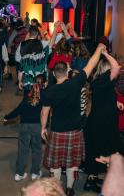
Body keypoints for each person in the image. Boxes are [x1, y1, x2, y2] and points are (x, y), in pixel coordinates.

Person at [40, 43, 106, 196]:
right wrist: (98, 50)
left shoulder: (49, 91)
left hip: (57, 131)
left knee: (55, 165)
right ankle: (70, 189)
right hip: (75, 131)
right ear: (68, 71)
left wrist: (43, 128)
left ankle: (57, 190)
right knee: (72, 163)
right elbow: (91, 65)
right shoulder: (76, 83)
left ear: (55, 74)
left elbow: (44, 112)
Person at [84, 52, 123, 192]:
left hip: (101, 123)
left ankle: (93, 178)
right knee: (100, 152)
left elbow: (105, 98)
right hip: (101, 125)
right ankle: (90, 181)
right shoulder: (103, 81)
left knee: (99, 151)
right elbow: (117, 67)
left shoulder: (103, 82)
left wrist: (116, 103)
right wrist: (104, 52)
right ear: (107, 70)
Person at [4, 75, 46, 181]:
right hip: (37, 126)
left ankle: (19, 174)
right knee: (37, 150)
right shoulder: (45, 96)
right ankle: (35, 173)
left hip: (24, 126)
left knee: (23, 150)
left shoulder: (27, 95)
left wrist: (7, 117)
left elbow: (18, 110)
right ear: (45, 84)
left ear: (33, 83)